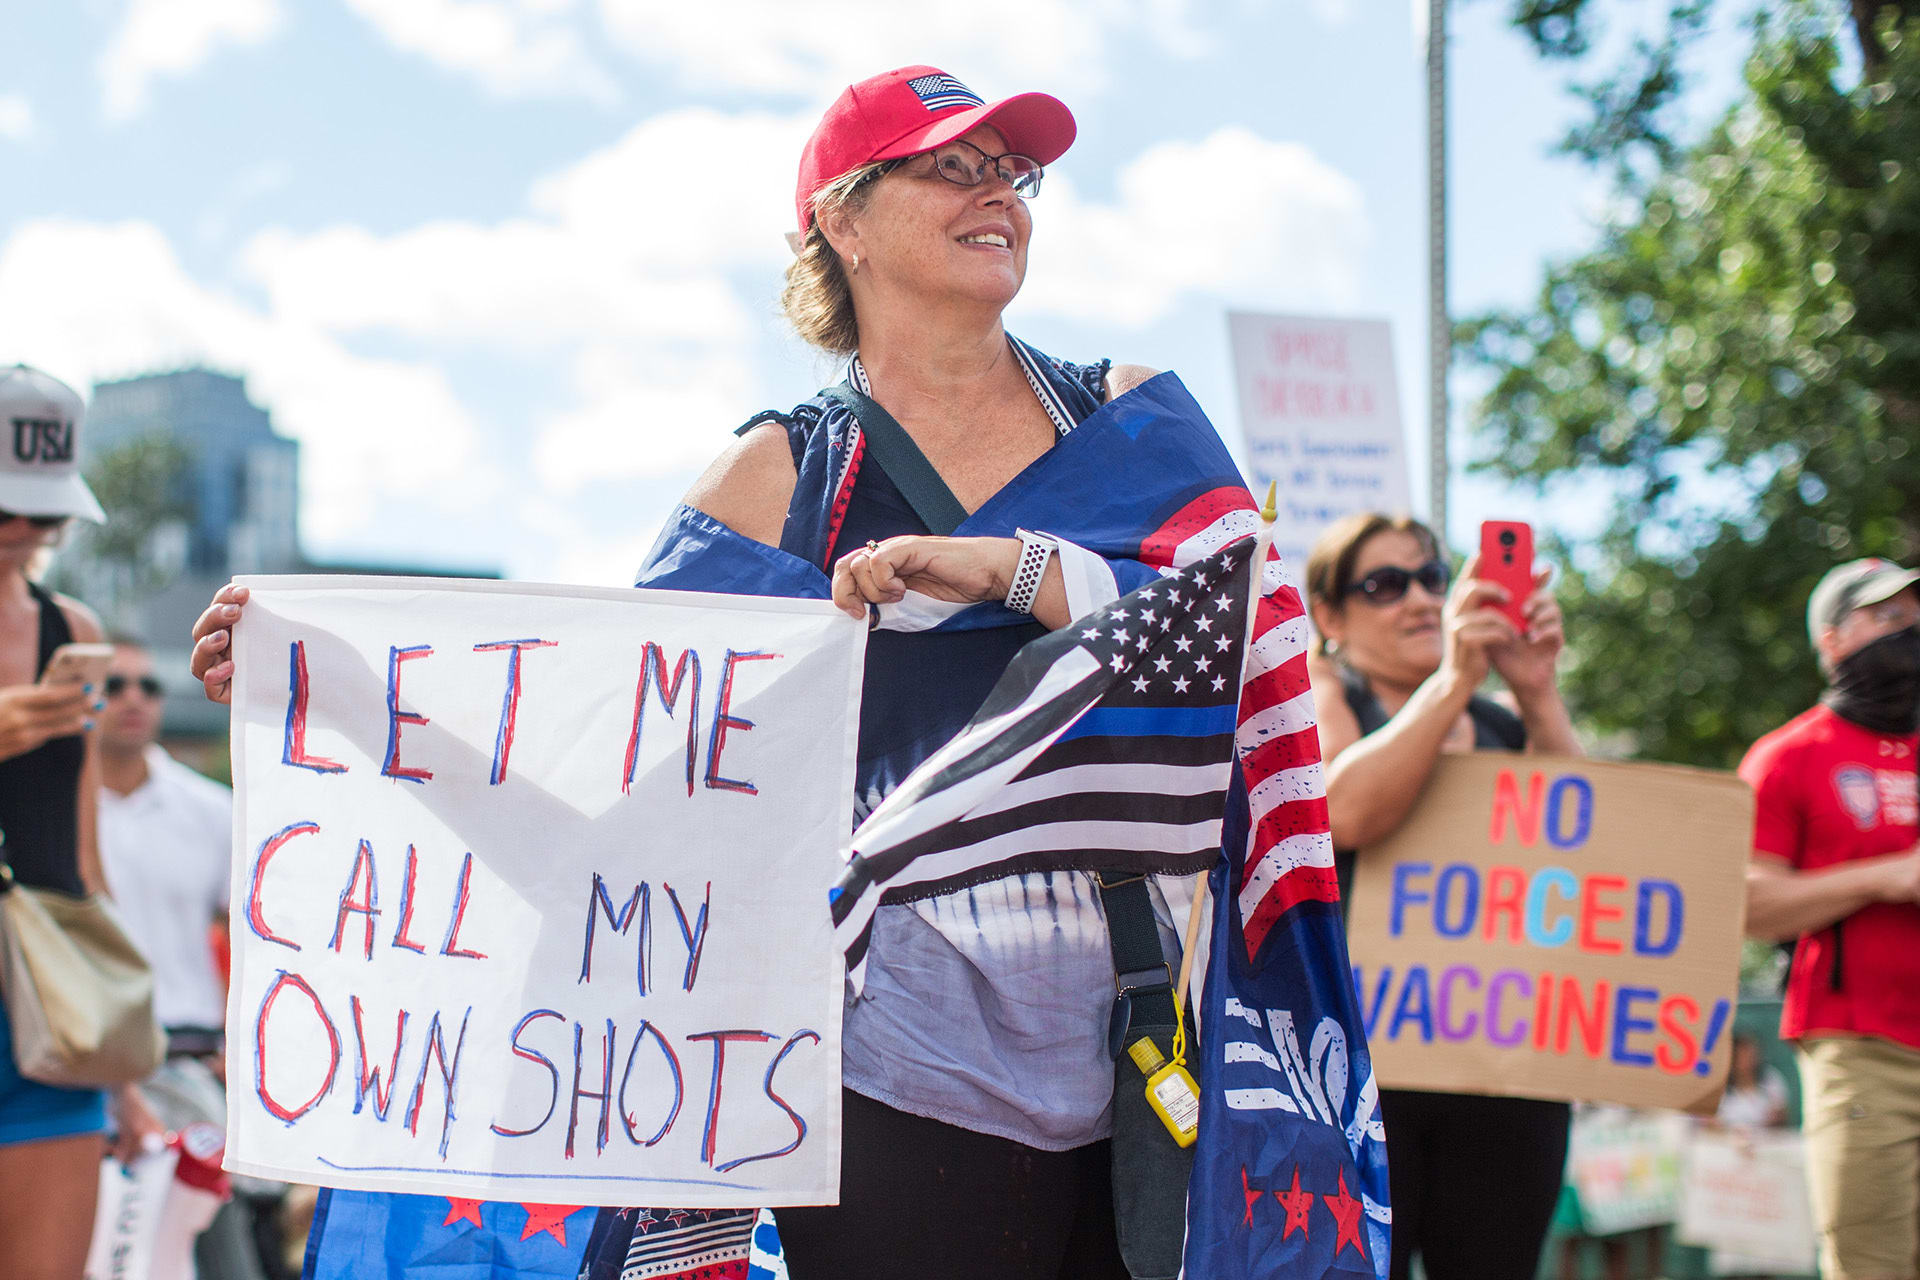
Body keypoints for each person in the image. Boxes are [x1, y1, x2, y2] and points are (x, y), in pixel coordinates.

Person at [193, 65, 1310, 1279]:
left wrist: (1017, 568)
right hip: (871, 1062)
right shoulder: (776, 479)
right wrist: (338, 693)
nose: (1002, 196)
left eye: (1015, 171)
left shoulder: (1130, 417)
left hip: (1136, 1045)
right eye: (955, 166)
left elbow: (1248, 646)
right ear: (842, 216)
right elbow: (610, 759)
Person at [1303, 511, 1579, 1280]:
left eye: (1432, 578)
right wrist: (1455, 679)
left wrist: (1537, 692)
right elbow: (1343, 812)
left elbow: (1594, 841)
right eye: (1384, 586)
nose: (1421, 601)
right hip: (1364, 1074)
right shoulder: (1325, 700)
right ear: (1330, 617)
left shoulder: (1501, 722)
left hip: (1503, 1070)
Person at [0, 364, 164, 1280]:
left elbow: (84, 860)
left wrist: (123, 1074)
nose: (22, 532)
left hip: (48, 1014)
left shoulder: (73, 629)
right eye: (2, 509)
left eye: (41, 512)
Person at [1740, 556, 1920, 1280]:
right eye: (1889, 618)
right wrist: (1890, 877)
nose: (1910, 632)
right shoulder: (1788, 757)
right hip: (1863, 1048)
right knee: (1872, 1262)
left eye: (1914, 618)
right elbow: (1752, 904)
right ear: (1835, 638)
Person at [97, 637, 268, 1280]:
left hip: (191, 1064)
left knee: (221, 1258)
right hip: (85, 1067)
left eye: (148, 685)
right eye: (114, 685)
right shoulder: (49, 811)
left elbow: (259, 934)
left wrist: (246, 1044)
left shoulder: (210, 809)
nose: (133, 699)